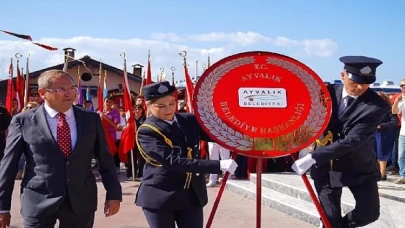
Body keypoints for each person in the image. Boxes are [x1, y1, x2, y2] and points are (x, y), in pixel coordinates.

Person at [0, 70, 122, 228]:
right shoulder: (23, 121)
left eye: (72, 88)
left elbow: (105, 160)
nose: (69, 93)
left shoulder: (90, 119)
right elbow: (8, 165)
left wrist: (113, 194)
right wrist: (3, 206)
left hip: (80, 200)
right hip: (39, 199)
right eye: (61, 89)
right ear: (43, 93)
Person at [292, 56, 390, 228]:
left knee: (369, 213)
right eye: (356, 82)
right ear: (343, 75)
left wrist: (313, 157)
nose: (360, 87)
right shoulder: (325, 93)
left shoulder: (376, 105)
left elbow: (353, 140)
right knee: (330, 220)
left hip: (358, 166)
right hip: (326, 169)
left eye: (366, 83)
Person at [135, 81, 238, 228]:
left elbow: (215, 135)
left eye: (172, 103)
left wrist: (240, 133)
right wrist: (218, 165)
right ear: (148, 105)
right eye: (161, 106)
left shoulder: (188, 120)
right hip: (161, 197)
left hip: (191, 195)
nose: (169, 109)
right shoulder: (147, 131)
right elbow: (173, 161)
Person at [392, 79, 405, 184]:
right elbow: (394, 111)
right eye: (402, 85)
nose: (403, 87)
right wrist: (396, 101)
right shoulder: (401, 100)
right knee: (401, 156)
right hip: (403, 133)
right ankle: (403, 175)